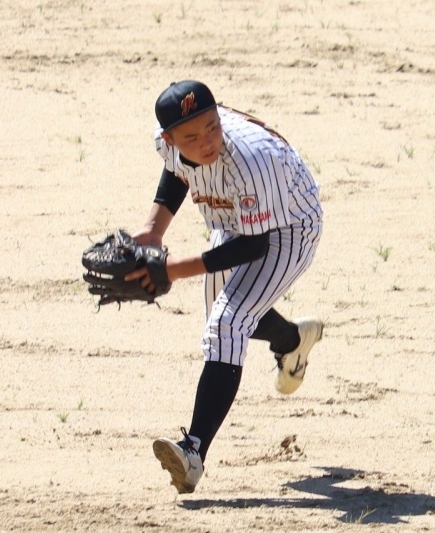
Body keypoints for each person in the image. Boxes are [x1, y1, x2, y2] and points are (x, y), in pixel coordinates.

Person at [125, 80, 324, 494]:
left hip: (290, 227)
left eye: (213, 127)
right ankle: (292, 340)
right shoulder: (167, 142)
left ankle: (193, 453)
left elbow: (254, 246)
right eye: (192, 137)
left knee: (228, 323)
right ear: (170, 138)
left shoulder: (251, 159)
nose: (207, 142)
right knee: (229, 318)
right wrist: (154, 230)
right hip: (237, 218)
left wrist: (173, 270)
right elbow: (178, 169)